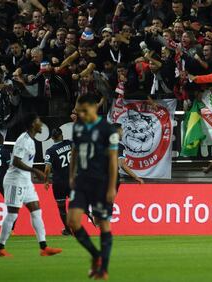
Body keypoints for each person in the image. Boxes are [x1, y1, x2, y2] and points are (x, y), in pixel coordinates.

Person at [0, 113, 62, 257]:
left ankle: (44, 247)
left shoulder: (31, 140)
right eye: (38, 121)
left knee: (36, 210)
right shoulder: (23, 140)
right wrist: (35, 170)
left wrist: (32, 172)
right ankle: (0, 248)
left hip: (25, 181)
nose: (40, 124)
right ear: (32, 125)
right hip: (14, 180)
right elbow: (16, 161)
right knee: (12, 215)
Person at [67, 94, 119, 280]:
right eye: (78, 111)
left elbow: (113, 160)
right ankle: (96, 256)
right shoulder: (78, 127)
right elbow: (74, 151)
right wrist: (72, 175)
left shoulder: (108, 129)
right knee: (72, 222)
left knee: (103, 223)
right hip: (81, 181)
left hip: (100, 182)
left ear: (93, 107)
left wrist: (112, 187)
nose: (81, 114)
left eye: (83, 110)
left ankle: (103, 268)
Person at [44, 128, 73, 236]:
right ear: (62, 135)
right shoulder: (70, 143)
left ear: (52, 138)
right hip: (72, 180)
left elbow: (47, 168)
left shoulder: (50, 151)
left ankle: (68, 229)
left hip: (58, 183)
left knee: (61, 207)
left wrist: (46, 181)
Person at [113, 123, 144, 189]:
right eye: (121, 130)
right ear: (118, 131)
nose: (123, 133)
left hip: (99, 175)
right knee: (111, 198)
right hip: (112, 177)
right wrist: (136, 177)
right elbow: (123, 165)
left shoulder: (102, 143)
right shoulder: (119, 146)